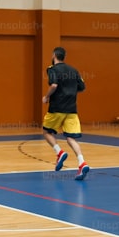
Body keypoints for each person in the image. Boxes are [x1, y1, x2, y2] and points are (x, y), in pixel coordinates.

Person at [42, 46, 89, 180]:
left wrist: (46, 97)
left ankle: (59, 152)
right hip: (72, 109)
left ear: (54, 55)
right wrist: (70, 92)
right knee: (70, 138)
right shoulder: (74, 71)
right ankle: (82, 162)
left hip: (57, 107)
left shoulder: (52, 69)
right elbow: (82, 87)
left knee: (46, 132)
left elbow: (54, 85)